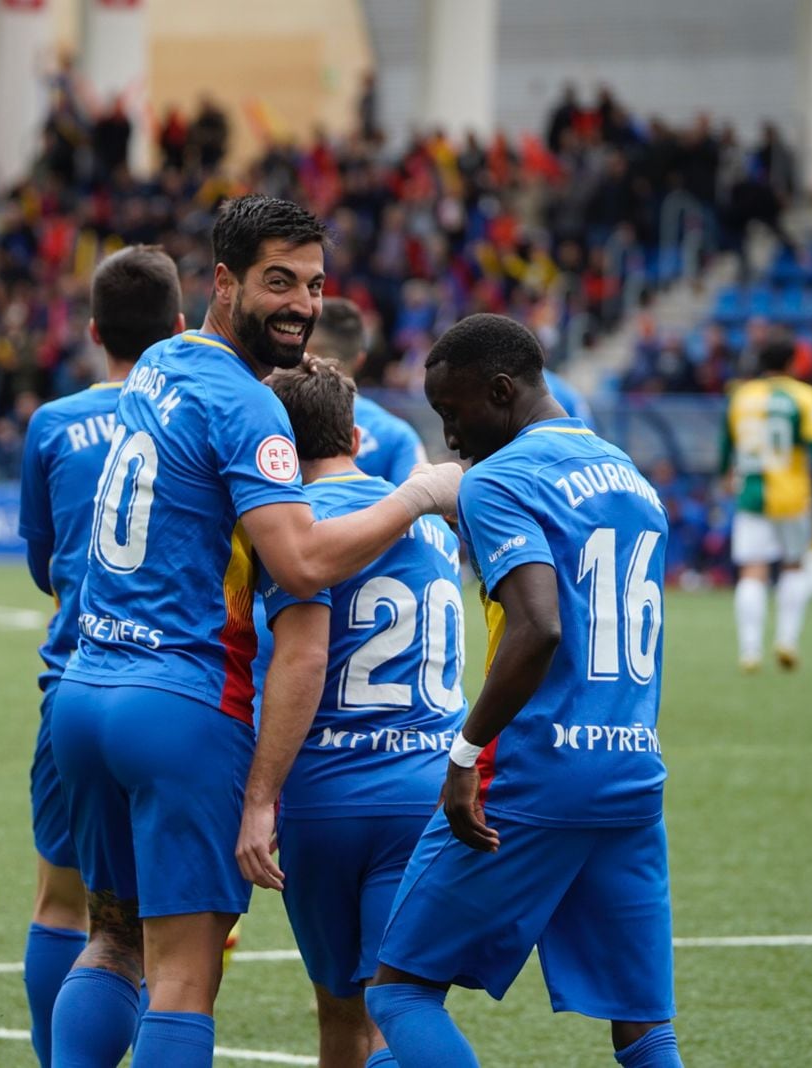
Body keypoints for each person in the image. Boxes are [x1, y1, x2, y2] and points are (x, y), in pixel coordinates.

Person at [46, 195, 461, 1068]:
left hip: (85, 695)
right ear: (225, 282)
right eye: (281, 283)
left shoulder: (160, 362)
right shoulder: (250, 407)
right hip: (181, 705)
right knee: (183, 983)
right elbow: (304, 566)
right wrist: (419, 493)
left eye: (314, 285)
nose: (303, 305)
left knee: (113, 939)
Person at [367, 313, 681, 1068]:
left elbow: (537, 627)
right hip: (631, 773)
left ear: (501, 390)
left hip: (534, 775)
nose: (449, 438)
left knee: (398, 994)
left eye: (454, 412)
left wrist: (465, 752)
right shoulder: (632, 479)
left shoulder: (501, 479)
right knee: (643, 1027)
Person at [248, 357, 466, 1068]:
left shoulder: (293, 532)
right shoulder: (432, 526)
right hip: (421, 789)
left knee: (338, 1014)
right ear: (357, 435)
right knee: (398, 1010)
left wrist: (262, 792)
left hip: (324, 796)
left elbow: (296, 662)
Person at [15, 246, 185, 1066]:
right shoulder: (208, 413)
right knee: (174, 943)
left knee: (64, 903)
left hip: (76, 679)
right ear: (182, 328)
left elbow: (45, 565)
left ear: (92, 332)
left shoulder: (52, 424)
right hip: (181, 689)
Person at [720, 337, 812, 673]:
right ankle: (787, 642)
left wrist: (725, 476)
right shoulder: (804, 397)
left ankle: (749, 651)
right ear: (793, 363)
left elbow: (726, 446)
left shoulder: (741, 397)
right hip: (792, 496)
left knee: (752, 570)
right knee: (794, 566)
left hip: (751, 493)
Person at [310, 297, 427, 484]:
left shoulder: (277, 421)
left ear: (305, 354)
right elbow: (422, 507)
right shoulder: (397, 435)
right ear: (360, 359)